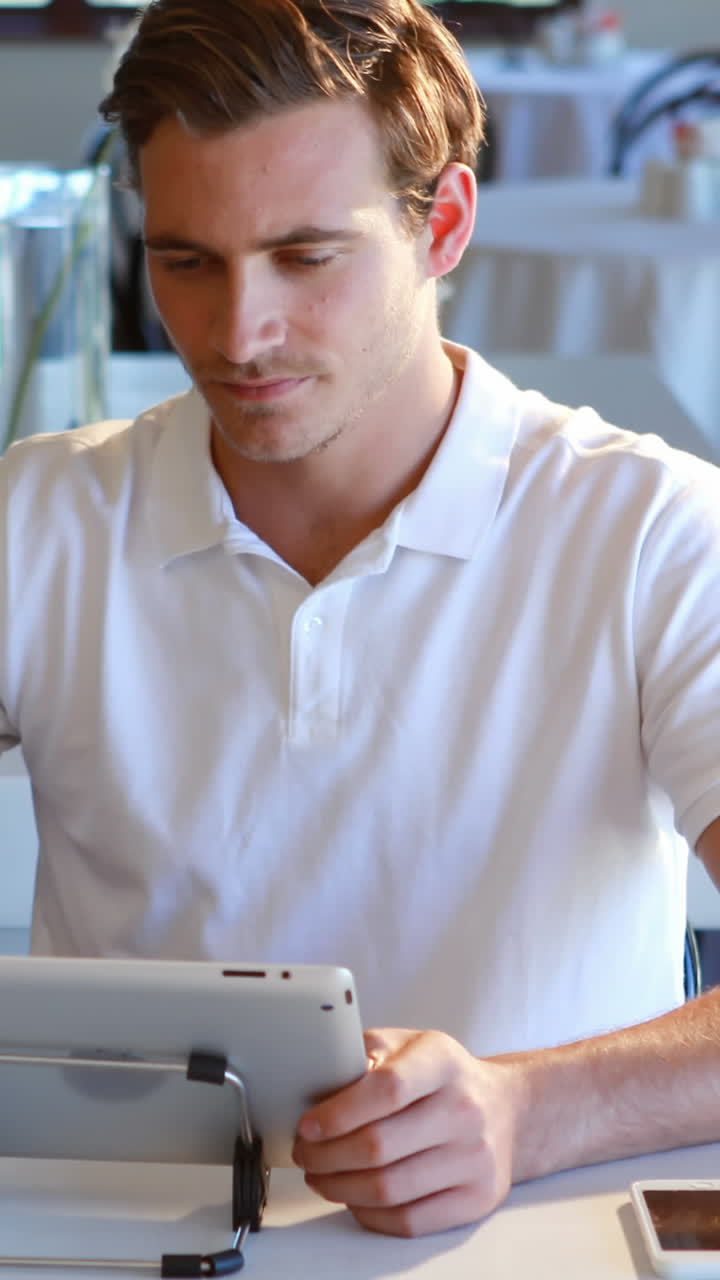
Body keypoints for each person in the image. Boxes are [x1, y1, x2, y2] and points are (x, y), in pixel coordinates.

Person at [2, 0, 720, 1241]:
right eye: (186, 260)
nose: (239, 334)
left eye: (307, 256)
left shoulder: (653, 530)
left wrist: (529, 1107)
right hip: (122, 1239)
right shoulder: (40, 518)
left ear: (441, 224)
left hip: (531, 1244)